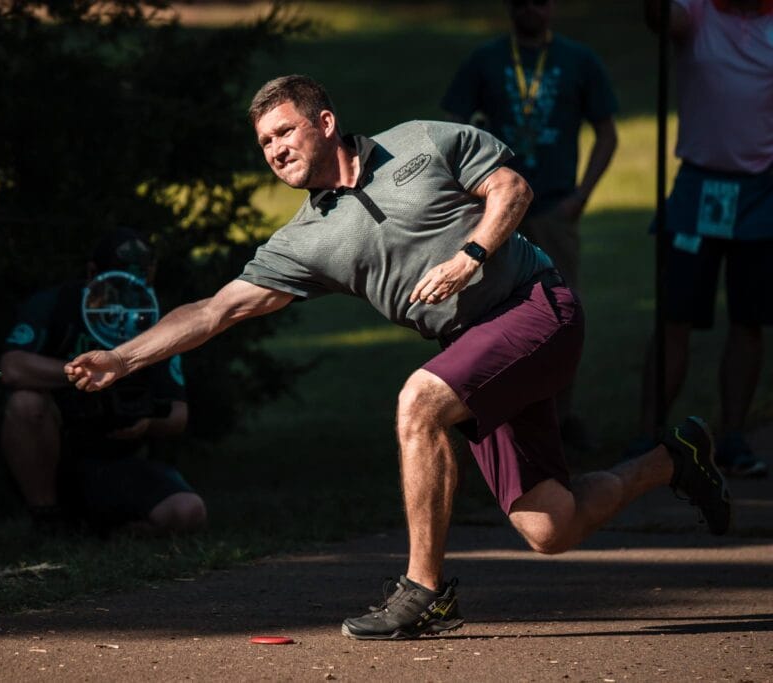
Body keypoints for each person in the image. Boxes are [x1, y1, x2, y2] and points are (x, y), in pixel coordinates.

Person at [64, 76, 729, 639]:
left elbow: (513, 191)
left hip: (536, 306)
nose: (275, 150)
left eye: (285, 132)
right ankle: (676, 457)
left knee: (419, 400)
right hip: (473, 349)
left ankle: (426, 591)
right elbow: (214, 310)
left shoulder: (420, 142)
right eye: (265, 142)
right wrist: (123, 358)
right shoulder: (306, 240)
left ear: (325, 122)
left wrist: (470, 258)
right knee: (550, 524)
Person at [441, 0, 619, 449]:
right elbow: (450, 127)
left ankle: (560, 417)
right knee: (492, 311)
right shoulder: (486, 60)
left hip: (555, 207)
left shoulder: (579, 60)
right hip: (497, 212)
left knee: (561, 310)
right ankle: (499, 418)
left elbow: (607, 133)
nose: (531, 9)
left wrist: (581, 196)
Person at [634, 0, 772, 478]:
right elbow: (658, 17)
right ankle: (649, 435)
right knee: (675, 315)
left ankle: (732, 437)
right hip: (699, 188)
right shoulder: (696, 12)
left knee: (749, 320)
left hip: (761, 192)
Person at [0, 227, 207, 536]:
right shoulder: (58, 304)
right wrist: (83, 374)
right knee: (25, 403)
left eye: (140, 280)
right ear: (93, 272)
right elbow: (12, 367)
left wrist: (145, 423)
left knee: (188, 513)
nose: (127, 294)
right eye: (118, 279)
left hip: (117, 462)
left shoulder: (152, 320)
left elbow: (178, 414)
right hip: (58, 456)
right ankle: (47, 520)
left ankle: (108, 531)